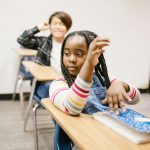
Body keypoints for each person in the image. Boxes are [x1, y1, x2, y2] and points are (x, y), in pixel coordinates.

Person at [49, 30, 141, 150]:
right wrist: (88, 64)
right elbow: (72, 107)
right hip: (86, 139)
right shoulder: (58, 85)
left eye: (79, 54)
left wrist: (122, 85)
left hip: (114, 135)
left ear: (95, 56)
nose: (71, 59)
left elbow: (135, 99)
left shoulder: (106, 80)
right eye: (66, 54)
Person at [17, 11, 72, 102]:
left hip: (67, 83)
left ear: (67, 27)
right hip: (46, 84)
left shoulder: (72, 44)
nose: (58, 27)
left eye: (61, 24)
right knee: (57, 94)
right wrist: (39, 28)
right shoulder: (43, 42)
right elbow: (22, 39)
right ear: (50, 26)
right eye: (54, 24)